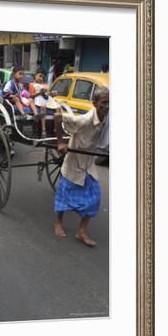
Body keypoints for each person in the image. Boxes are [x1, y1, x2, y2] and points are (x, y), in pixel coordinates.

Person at [53, 87, 110, 246]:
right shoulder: (84, 120)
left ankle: (81, 231)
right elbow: (58, 116)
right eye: (103, 103)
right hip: (74, 160)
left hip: (88, 163)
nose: (107, 106)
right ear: (95, 103)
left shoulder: (107, 119)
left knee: (95, 198)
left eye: (109, 103)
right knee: (64, 195)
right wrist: (60, 142)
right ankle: (58, 222)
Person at [29, 69, 50, 137]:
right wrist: (39, 93)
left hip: (45, 101)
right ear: (35, 76)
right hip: (37, 101)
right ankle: (43, 130)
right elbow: (31, 95)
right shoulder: (32, 84)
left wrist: (50, 94)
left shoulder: (46, 85)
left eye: (43, 77)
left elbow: (48, 96)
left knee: (58, 106)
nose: (41, 78)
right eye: (40, 76)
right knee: (42, 106)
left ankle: (54, 129)